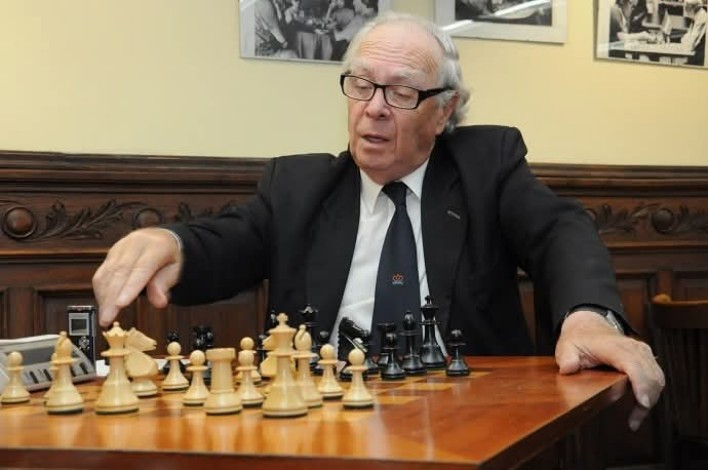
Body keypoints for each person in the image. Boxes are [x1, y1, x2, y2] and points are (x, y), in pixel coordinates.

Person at [93, 12, 664, 430]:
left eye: (401, 91)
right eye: (362, 84)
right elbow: (233, 239)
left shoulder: (486, 167)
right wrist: (171, 242)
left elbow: (560, 231)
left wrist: (589, 318)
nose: (373, 107)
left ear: (444, 111)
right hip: (323, 423)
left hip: (470, 418)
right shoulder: (298, 186)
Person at [681, 0, 707, 65]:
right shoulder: (697, 16)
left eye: (686, 8)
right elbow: (688, 35)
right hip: (697, 53)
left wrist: (684, 44)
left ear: (691, 9)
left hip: (701, 57)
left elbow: (692, 42)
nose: (686, 12)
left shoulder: (701, 17)